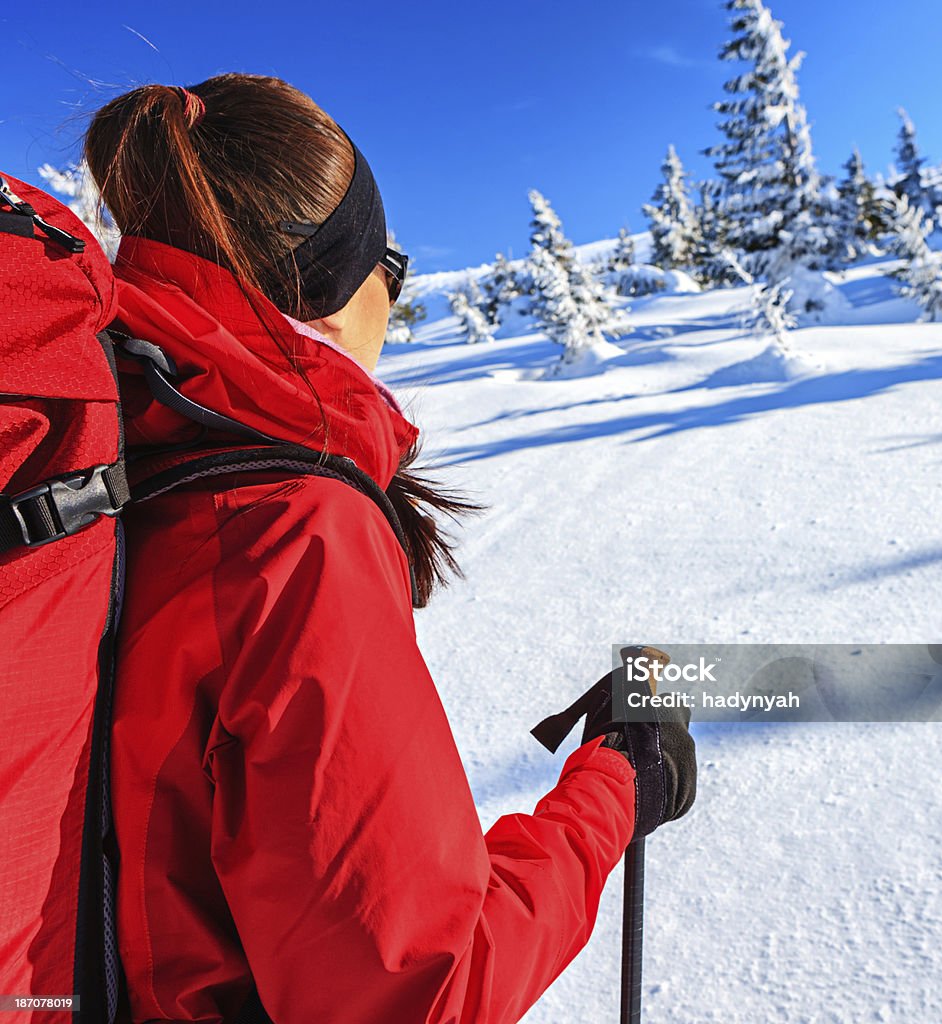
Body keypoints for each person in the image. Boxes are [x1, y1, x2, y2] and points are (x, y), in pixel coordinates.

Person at [88, 73, 697, 1024]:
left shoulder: (112, 455)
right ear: (328, 298)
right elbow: (423, 991)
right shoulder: (292, 537)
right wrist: (619, 783)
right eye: (391, 269)